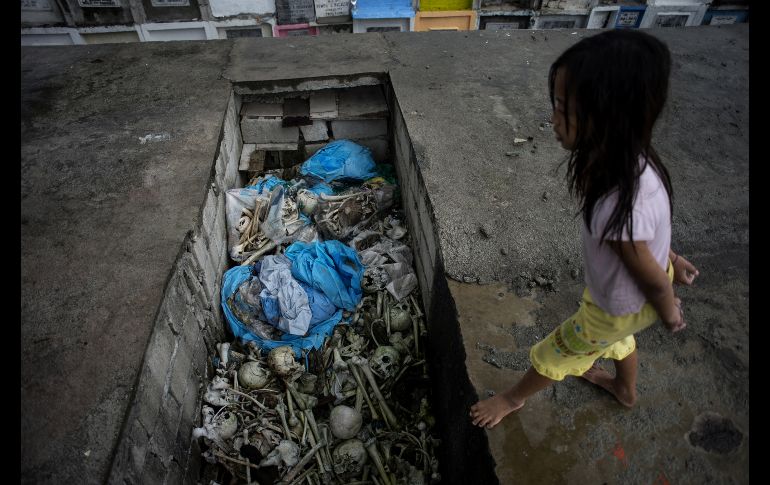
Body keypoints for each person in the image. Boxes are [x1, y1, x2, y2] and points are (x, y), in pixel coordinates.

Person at [470, 29, 700, 429]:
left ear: (605, 117)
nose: (552, 118)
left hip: (621, 304)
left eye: (562, 108)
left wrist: (668, 307)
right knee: (620, 338)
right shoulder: (637, 162)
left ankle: (513, 398)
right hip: (635, 296)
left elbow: (645, 269)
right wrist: (674, 260)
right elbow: (648, 245)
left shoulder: (617, 202)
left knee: (557, 353)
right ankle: (624, 390)